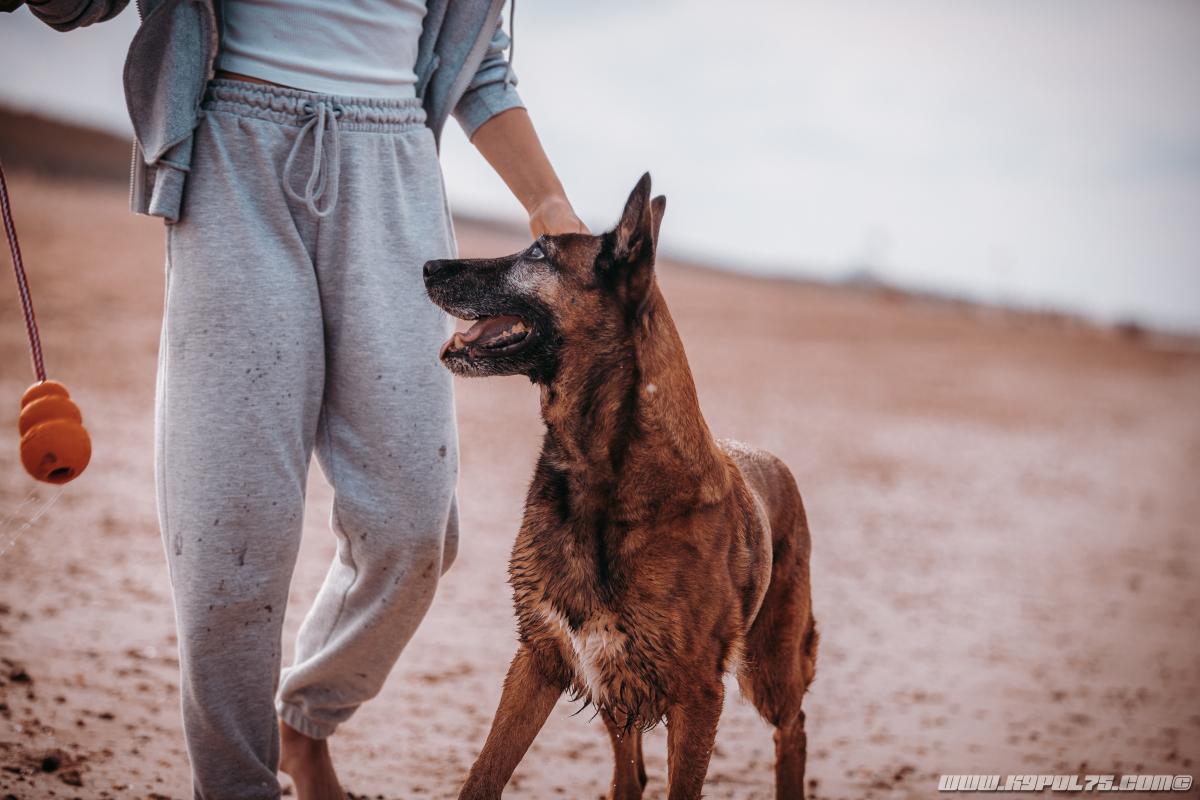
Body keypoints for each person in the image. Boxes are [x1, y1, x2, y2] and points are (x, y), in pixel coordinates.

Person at [14, 1, 585, 798]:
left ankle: (305, 719)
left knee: (411, 524)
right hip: (233, 152)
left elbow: (480, 63)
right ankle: (236, 785)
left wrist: (550, 206)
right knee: (228, 530)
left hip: (394, 169)